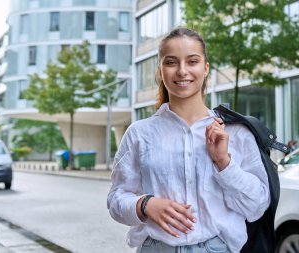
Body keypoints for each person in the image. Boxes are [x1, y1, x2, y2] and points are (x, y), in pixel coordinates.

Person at [107, 27, 270, 253]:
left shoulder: (236, 133)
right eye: (171, 62)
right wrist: (145, 204)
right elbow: (116, 200)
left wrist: (224, 162)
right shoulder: (139, 133)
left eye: (192, 61)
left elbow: (256, 207)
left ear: (205, 69)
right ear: (160, 70)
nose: (182, 71)